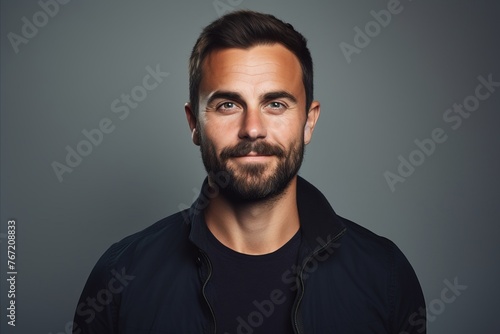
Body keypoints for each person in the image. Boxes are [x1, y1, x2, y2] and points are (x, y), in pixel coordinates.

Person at [73, 10, 426, 334]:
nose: (253, 129)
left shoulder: (385, 275)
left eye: (275, 104)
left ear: (309, 122)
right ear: (194, 123)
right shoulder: (121, 277)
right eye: (228, 104)